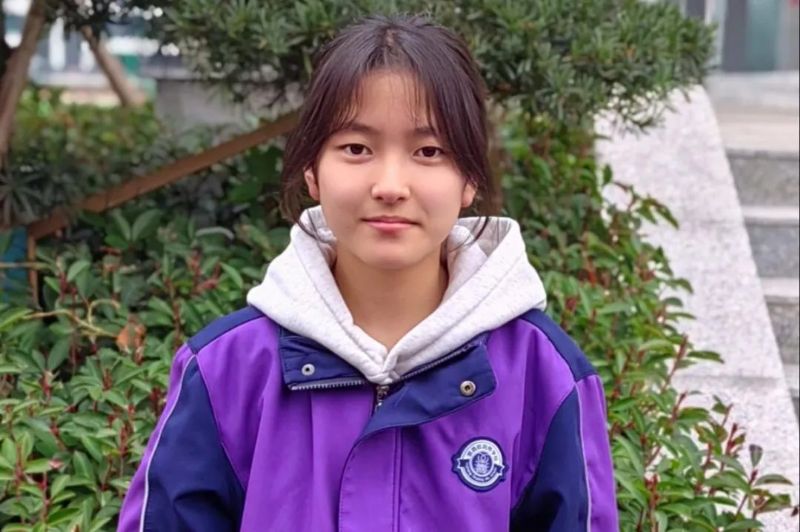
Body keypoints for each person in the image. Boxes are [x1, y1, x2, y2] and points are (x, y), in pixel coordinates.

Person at [118, 13, 618, 532]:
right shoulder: (227, 370)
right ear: (312, 170)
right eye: (356, 148)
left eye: (429, 151)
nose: (391, 185)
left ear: (470, 177)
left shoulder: (543, 373)